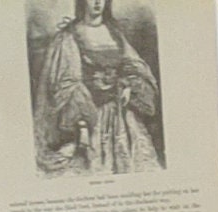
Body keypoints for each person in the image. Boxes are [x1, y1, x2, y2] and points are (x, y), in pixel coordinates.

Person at [33, 0, 165, 178]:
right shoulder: (69, 37)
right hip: (89, 117)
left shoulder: (115, 34)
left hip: (121, 114)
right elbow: (68, 84)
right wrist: (82, 124)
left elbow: (134, 66)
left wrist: (128, 86)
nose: (97, 3)